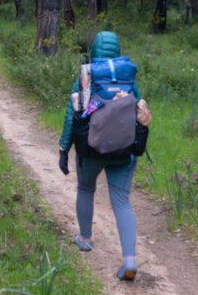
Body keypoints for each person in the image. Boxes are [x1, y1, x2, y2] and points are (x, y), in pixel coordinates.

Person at [58, 31, 141, 281]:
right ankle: (129, 260)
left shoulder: (86, 76)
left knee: (86, 189)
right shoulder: (129, 79)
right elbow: (138, 112)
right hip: (124, 149)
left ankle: (85, 239)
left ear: (94, 50)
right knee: (122, 201)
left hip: (91, 149)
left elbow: (71, 116)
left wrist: (64, 148)